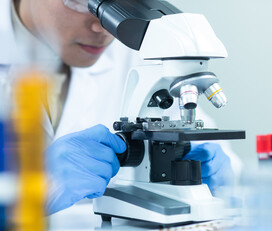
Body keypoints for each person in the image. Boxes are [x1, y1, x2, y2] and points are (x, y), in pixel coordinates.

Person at [0, 0, 239, 215]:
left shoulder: (138, 52)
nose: (103, 28)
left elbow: (219, 157)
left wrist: (217, 177)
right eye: (82, 1)